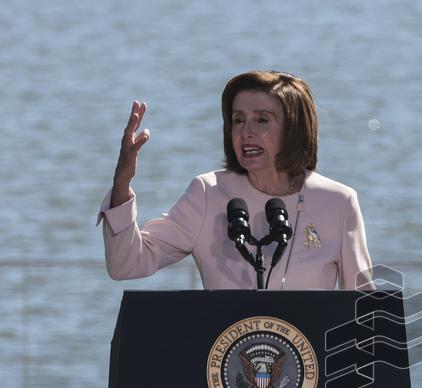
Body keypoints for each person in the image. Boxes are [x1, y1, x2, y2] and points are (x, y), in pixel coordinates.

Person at [97, 70, 372, 290]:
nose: (246, 131)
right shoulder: (207, 193)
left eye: (262, 120)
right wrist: (122, 184)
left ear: (293, 129)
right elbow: (127, 264)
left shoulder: (339, 202)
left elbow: (364, 310)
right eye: (238, 120)